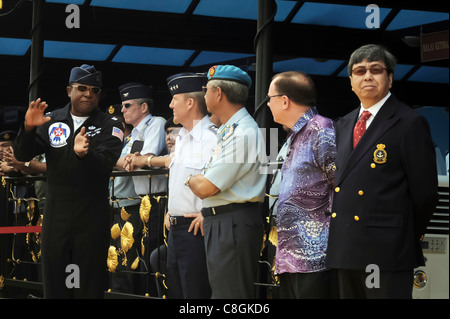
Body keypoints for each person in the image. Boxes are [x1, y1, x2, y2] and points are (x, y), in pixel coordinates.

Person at [326, 44, 438, 299]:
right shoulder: (342, 124)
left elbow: (425, 194)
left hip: (387, 249)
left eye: (376, 70)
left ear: (390, 78)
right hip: (346, 247)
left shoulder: (409, 122)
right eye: (359, 70)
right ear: (351, 81)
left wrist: (403, 233)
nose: (367, 76)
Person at [13, 64, 124, 298]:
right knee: (55, 282)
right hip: (56, 214)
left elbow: (105, 164)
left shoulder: (110, 124)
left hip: (91, 215)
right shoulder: (52, 120)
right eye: (82, 88)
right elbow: (23, 155)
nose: (88, 94)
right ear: (69, 91)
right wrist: (28, 128)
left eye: (95, 90)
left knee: (89, 285)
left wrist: (85, 154)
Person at [187, 65, 267, 299]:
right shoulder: (231, 130)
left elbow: (205, 187)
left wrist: (189, 179)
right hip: (225, 220)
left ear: (218, 93)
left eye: (206, 89)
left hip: (232, 221)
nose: (204, 95)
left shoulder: (242, 132)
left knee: (230, 296)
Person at [266, 71, 337, 299]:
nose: (268, 104)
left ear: (284, 101)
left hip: (316, 257)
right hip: (290, 256)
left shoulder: (321, 129)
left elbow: (340, 185)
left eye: (270, 98)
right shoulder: (295, 135)